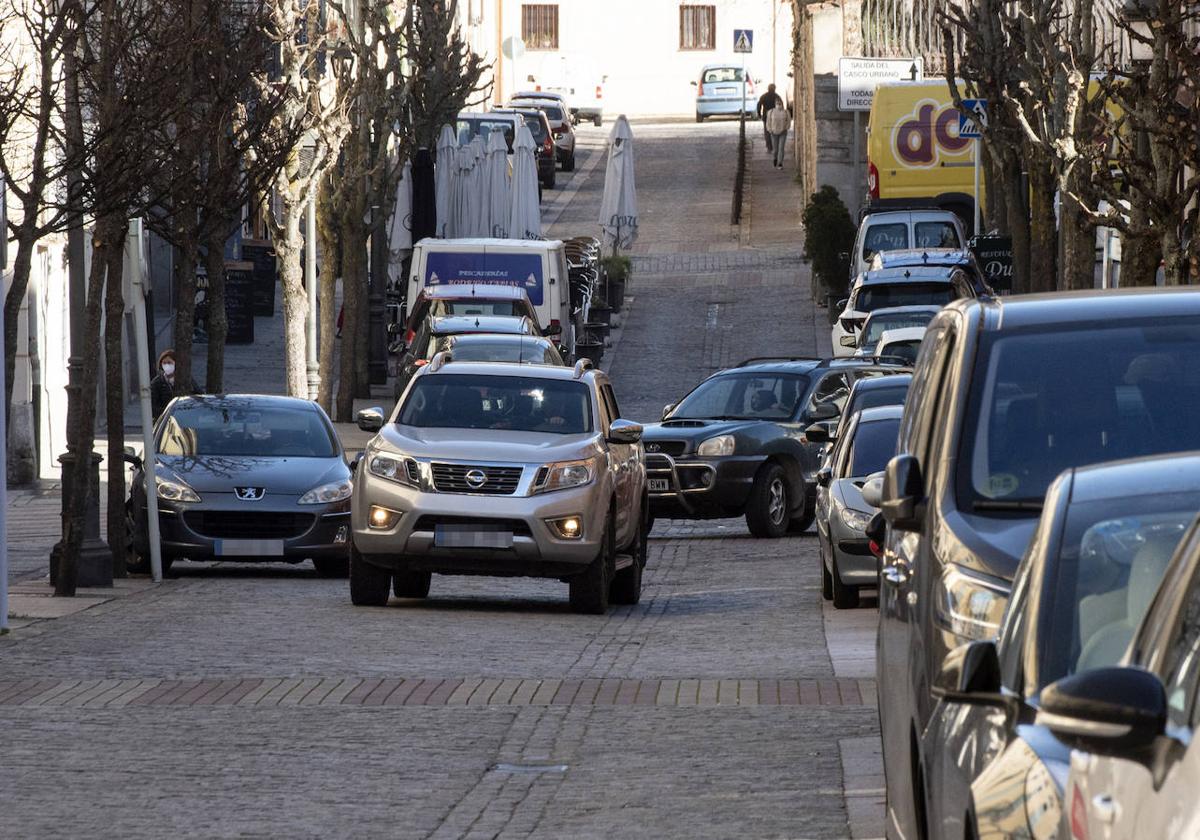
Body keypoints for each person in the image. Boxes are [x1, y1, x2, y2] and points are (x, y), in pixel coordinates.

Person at [150, 349, 199, 422]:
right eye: (164, 363)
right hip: (164, 421)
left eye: (169, 363)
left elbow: (198, 395)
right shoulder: (157, 382)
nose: (167, 365)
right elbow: (152, 406)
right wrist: (169, 413)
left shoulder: (186, 380)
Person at [756, 83, 784, 152]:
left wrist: (759, 114)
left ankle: (769, 147)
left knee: (767, 132)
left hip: (766, 116)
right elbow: (781, 106)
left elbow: (759, 105)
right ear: (775, 89)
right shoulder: (777, 97)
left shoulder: (764, 96)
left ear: (768, 88)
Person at [766, 102, 789, 169]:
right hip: (774, 133)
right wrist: (770, 130)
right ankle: (775, 158)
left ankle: (780, 163)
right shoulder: (771, 112)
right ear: (775, 104)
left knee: (781, 148)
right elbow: (768, 122)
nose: (779, 105)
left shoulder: (786, 112)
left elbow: (788, 121)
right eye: (777, 103)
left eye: (780, 103)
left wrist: (786, 128)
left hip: (783, 132)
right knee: (775, 149)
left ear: (782, 104)